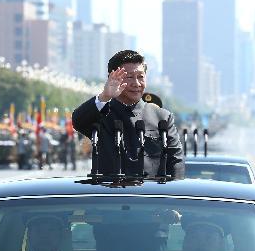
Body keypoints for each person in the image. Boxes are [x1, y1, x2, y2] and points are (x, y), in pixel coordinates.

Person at [72, 50, 184, 178]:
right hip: (111, 193)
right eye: (129, 77)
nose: (136, 83)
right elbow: (78, 121)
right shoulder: (101, 114)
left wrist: (171, 193)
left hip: (150, 194)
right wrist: (104, 96)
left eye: (140, 77)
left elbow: (176, 161)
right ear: (112, 78)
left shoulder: (162, 117)